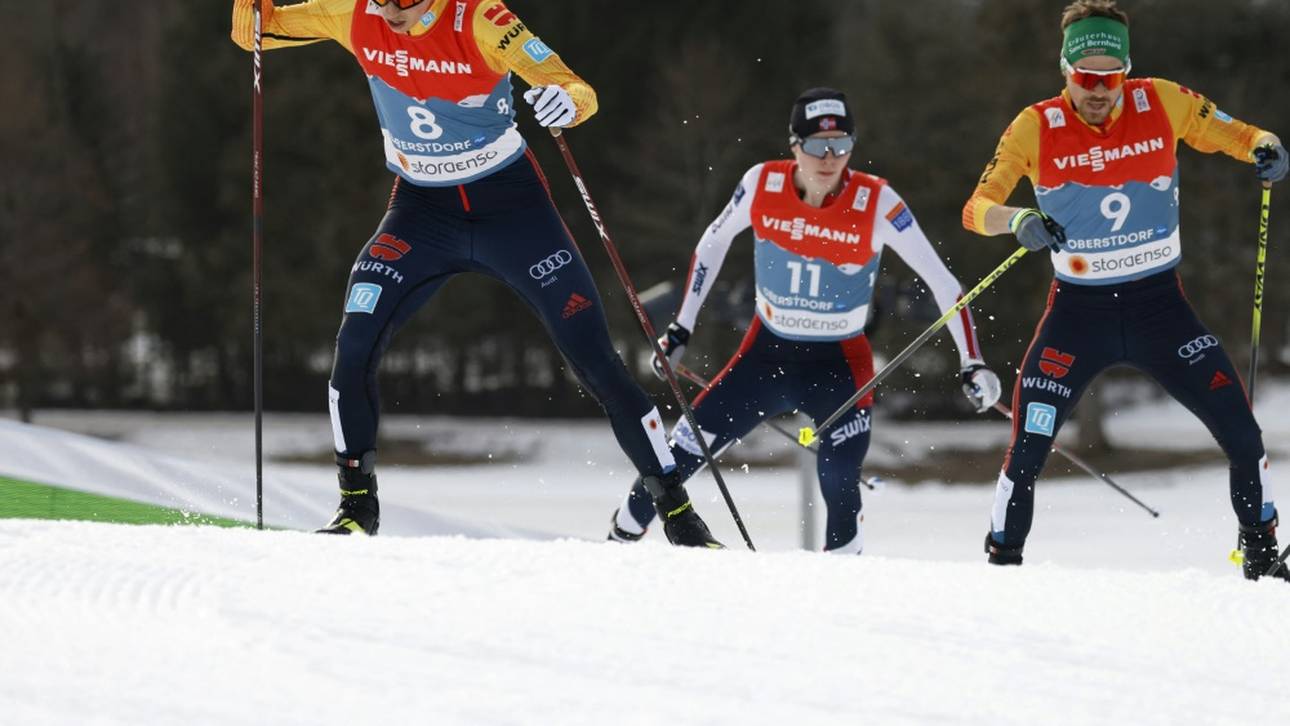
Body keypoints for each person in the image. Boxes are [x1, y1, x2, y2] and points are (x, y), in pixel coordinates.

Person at [230, 0, 720, 545]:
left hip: (512, 211)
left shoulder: (481, 19)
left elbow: (574, 87)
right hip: (420, 214)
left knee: (597, 362)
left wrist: (567, 103)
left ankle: (678, 516)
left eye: (405, 1)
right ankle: (355, 508)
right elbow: (254, 30)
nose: (390, 10)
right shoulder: (352, 12)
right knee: (354, 346)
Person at [962, 0, 1288, 579]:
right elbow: (976, 208)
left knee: (1241, 432)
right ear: (1065, 69)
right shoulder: (1035, 125)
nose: (1098, 91)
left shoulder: (1161, 99)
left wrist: (1264, 143)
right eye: (1086, 78)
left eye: (1110, 79)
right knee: (1029, 445)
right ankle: (1001, 566)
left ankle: (1261, 559)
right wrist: (1015, 221)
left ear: (1126, 71)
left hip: (1161, 309)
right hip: (1076, 317)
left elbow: (1234, 133)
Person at [608, 88, 1002, 553]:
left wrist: (972, 361)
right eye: (817, 145)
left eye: (841, 145)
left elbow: (943, 282)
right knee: (676, 458)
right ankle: (617, 543)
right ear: (794, 145)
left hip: (839, 366)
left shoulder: (877, 201)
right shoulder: (761, 184)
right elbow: (712, 245)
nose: (829, 157)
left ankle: (840, 596)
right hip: (765, 356)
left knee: (839, 483)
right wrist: (680, 329)